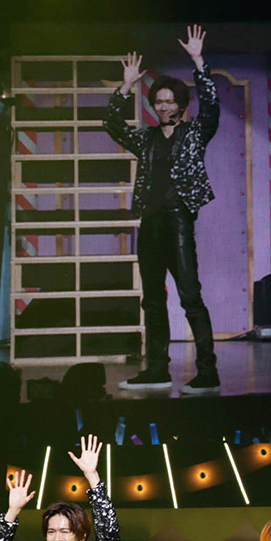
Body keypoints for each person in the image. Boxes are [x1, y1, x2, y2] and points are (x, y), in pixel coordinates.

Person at [103, 27, 221, 393]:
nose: (164, 106)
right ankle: (157, 370)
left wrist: (199, 62)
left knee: (190, 297)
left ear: (181, 104)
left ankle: (208, 372)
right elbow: (112, 125)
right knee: (153, 300)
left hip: (179, 222)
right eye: (159, 101)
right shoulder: (147, 138)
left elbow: (212, 107)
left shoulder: (195, 134)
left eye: (170, 101)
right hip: (151, 224)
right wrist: (126, 87)